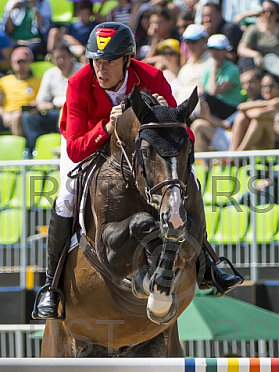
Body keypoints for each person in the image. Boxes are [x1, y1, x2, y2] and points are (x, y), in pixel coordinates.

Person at [33, 22, 242, 320]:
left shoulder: (151, 77)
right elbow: (75, 147)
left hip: (141, 152)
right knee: (66, 197)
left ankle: (207, 263)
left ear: (127, 60)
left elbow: (180, 132)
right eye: (96, 60)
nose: (100, 69)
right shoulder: (79, 83)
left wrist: (162, 114)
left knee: (188, 178)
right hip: (90, 145)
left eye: (108, 62)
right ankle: (51, 286)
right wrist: (107, 126)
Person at [190, 68, 262, 153]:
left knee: (198, 126)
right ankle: (203, 166)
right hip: (231, 137)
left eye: (251, 82)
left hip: (245, 142)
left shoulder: (265, 100)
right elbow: (226, 125)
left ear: (260, 82)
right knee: (198, 124)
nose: (247, 86)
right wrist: (208, 117)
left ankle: (233, 157)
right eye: (244, 83)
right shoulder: (247, 102)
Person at [25, 42, 80, 151]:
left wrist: (54, 104)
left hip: (75, 113)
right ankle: (35, 151)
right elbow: (40, 100)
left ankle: (67, 149)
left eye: (63, 57)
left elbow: (76, 100)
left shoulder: (81, 72)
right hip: (53, 112)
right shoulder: (50, 74)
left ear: (71, 57)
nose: (60, 61)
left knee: (63, 115)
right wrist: (46, 105)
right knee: (28, 117)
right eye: (57, 58)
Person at [228, 72, 279, 152]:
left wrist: (252, 109)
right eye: (264, 87)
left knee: (259, 122)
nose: (267, 89)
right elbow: (240, 107)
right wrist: (267, 102)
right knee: (241, 117)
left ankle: (238, 154)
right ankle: (232, 153)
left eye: (271, 86)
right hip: (271, 142)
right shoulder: (268, 103)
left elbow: (258, 114)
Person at [236, 0, 279, 74]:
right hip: (256, 68)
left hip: (276, 69)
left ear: (277, 14)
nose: (267, 15)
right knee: (244, 60)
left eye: (271, 12)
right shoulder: (253, 29)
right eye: (264, 12)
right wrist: (255, 54)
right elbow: (241, 49)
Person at [198, 34, 243, 121]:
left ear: (225, 51)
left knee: (206, 97)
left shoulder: (233, 70)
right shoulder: (207, 69)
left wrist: (214, 68)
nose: (214, 53)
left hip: (230, 109)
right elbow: (200, 92)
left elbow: (213, 92)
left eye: (218, 49)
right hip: (213, 108)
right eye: (211, 49)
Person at [171, 24, 209, 103]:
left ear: (204, 41)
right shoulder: (187, 66)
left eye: (194, 42)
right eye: (187, 42)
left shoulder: (211, 62)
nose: (190, 46)